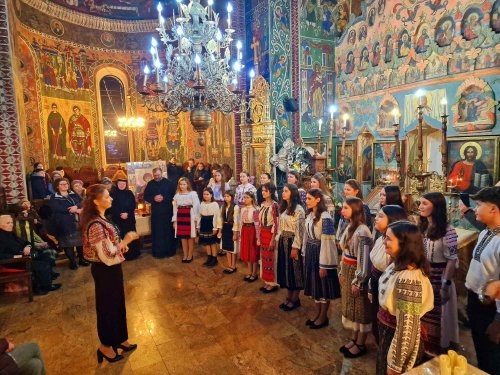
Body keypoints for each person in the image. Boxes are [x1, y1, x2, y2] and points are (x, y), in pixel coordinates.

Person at [81, 184, 139, 363]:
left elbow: (110, 243)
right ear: (96, 201)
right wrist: (126, 241)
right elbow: (105, 256)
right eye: (107, 196)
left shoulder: (102, 218)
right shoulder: (95, 225)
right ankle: (105, 346)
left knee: (118, 304)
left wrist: (120, 245)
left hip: (113, 269)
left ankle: (120, 338)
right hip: (105, 270)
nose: (111, 198)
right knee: (108, 307)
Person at [376, 221, 434, 375]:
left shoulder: (409, 279)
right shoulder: (398, 264)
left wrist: (396, 364)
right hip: (388, 331)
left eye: (388, 239)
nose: (384, 242)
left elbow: (407, 326)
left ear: (404, 244)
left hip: (395, 335)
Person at [418, 192, 459, 355]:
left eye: (425, 203)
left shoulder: (448, 231)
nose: (420, 206)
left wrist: (445, 284)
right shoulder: (423, 227)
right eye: (420, 203)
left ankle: (436, 353)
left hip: (440, 277)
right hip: (424, 275)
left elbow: (452, 260)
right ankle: (423, 349)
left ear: (436, 207)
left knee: (439, 318)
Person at [465, 186, 500, 374]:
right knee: (481, 349)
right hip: (476, 301)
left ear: (493, 208)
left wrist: (498, 320)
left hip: (492, 308)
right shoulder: (486, 232)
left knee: (493, 356)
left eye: (478, 205)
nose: (475, 209)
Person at [338, 197, 373, 357]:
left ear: (355, 209)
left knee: (360, 308)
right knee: (351, 306)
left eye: (345, 208)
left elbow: (364, 259)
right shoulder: (351, 226)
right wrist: (341, 271)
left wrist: (359, 281)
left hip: (357, 273)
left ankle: (361, 343)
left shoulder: (363, 231)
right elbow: (345, 250)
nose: (342, 211)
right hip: (347, 269)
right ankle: (354, 338)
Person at [369, 205, 407, 344]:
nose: (376, 219)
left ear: (392, 220)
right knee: (376, 316)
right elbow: (374, 263)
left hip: (386, 284)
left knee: (386, 321)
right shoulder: (381, 239)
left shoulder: (395, 247)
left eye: (380, 216)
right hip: (375, 280)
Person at [302, 189, 341, 329]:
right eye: (306, 198)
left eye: (309, 198)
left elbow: (328, 242)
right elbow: (306, 236)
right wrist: (304, 253)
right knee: (315, 285)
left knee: (323, 286)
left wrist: (324, 264)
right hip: (311, 251)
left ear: (318, 199)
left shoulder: (325, 217)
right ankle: (317, 314)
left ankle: (324, 316)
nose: (306, 200)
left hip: (321, 253)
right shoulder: (310, 214)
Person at [0, 214, 61, 295]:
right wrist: (16, 256)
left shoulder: (11, 234)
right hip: (14, 262)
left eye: (11, 222)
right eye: (8, 223)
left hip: (24, 257)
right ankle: (43, 287)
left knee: (46, 257)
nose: (11, 224)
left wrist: (27, 247)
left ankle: (46, 280)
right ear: (0, 225)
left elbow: (26, 242)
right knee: (42, 265)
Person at [276, 184, 305, 311]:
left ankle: (295, 298)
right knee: (286, 270)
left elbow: (300, 230)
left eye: (286, 191)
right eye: (283, 191)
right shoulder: (284, 207)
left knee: (295, 271)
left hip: (293, 242)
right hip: (283, 241)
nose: (283, 193)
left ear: (292, 193)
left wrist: (295, 247)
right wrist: (278, 239)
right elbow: (280, 226)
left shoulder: (299, 209)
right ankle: (289, 296)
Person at [49, 178, 88, 269]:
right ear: (57, 186)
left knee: (80, 242)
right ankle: (72, 261)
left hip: (77, 221)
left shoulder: (73, 194)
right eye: (62, 184)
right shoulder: (54, 197)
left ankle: (81, 259)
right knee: (67, 244)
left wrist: (76, 207)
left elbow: (82, 202)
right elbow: (57, 208)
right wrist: (72, 210)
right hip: (63, 223)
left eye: (66, 184)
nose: (65, 185)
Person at [144, 168, 176, 258]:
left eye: (158, 175)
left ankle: (169, 251)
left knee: (168, 232)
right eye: (155, 176)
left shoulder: (169, 183)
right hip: (156, 213)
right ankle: (159, 253)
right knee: (158, 233)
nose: (157, 177)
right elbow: (146, 196)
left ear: (162, 173)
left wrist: (164, 198)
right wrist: (153, 198)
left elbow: (174, 195)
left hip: (167, 212)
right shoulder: (150, 184)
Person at [110, 178, 140, 260]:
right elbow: (111, 207)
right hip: (118, 220)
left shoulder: (129, 193)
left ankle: (134, 254)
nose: (122, 185)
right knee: (121, 237)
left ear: (126, 185)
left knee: (131, 235)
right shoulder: (112, 193)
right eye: (120, 183)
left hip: (129, 219)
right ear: (117, 184)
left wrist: (127, 213)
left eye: (123, 184)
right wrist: (120, 214)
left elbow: (133, 205)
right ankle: (122, 255)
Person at [172, 177, 200, 263]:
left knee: (190, 237)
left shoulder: (193, 194)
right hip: (180, 216)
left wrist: (196, 220)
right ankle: (185, 255)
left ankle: (190, 255)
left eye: (184, 184)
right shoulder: (177, 195)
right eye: (181, 184)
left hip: (190, 215)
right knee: (183, 237)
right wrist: (175, 220)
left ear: (187, 184)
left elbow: (196, 207)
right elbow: (175, 208)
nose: (182, 186)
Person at [258, 182, 280, 294]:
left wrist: (273, 239)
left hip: (270, 234)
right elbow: (259, 221)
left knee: (271, 258)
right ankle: (266, 281)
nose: (263, 193)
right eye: (262, 190)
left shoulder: (274, 205)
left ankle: (273, 283)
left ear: (270, 192)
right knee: (264, 258)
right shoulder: (262, 204)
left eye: (265, 191)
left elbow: (276, 223)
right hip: (263, 233)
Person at [239, 191, 260, 282]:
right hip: (245, 230)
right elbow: (241, 222)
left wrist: (258, 236)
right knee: (247, 251)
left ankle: (254, 273)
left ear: (252, 198)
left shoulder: (255, 209)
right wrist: (240, 233)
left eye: (247, 197)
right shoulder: (243, 209)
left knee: (253, 252)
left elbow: (257, 224)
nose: (245, 199)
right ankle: (249, 272)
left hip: (252, 231)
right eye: (244, 197)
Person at [197, 187, 220, 268]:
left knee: (212, 243)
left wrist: (215, 228)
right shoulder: (202, 203)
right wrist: (198, 226)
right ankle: (209, 257)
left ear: (211, 195)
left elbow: (217, 216)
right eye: (204, 194)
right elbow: (199, 215)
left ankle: (214, 258)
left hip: (211, 223)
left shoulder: (215, 204)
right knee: (207, 243)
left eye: (207, 194)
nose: (205, 196)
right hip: (204, 223)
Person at [218, 190, 240, 274]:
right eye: (225, 196)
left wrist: (235, 233)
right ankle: (229, 265)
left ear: (232, 197)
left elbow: (236, 221)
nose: (226, 198)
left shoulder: (235, 207)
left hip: (232, 228)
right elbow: (220, 219)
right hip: (225, 228)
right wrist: (220, 231)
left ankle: (233, 266)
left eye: (228, 196)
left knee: (233, 249)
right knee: (227, 248)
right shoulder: (223, 207)